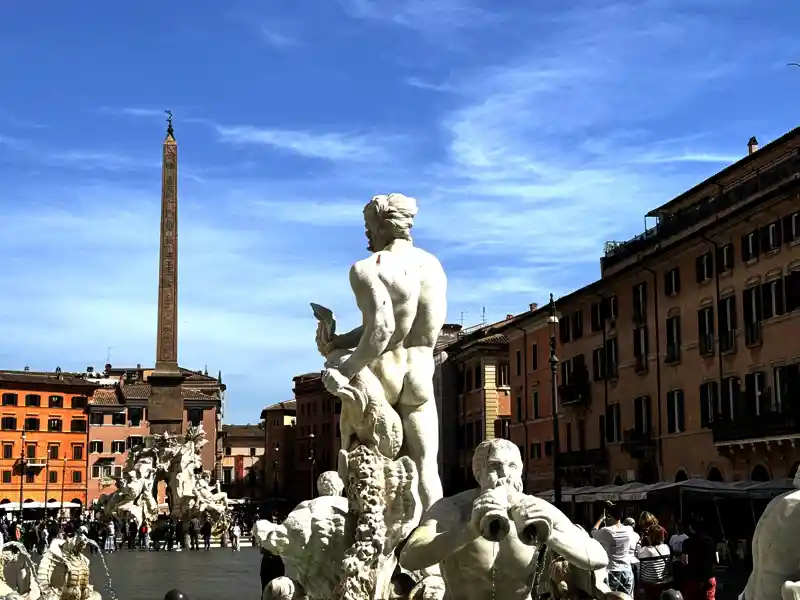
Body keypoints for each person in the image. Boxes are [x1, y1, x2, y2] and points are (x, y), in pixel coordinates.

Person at [319, 193, 448, 513]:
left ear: (380, 225)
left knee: (369, 471)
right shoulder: (432, 266)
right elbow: (398, 327)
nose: (366, 234)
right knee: (425, 470)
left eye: (367, 226)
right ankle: (432, 556)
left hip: (385, 376)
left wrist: (343, 370)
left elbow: (382, 330)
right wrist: (340, 341)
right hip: (420, 373)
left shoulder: (369, 268)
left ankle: (373, 547)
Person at [400, 439, 608, 600]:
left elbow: (598, 558)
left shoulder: (537, 508)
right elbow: (409, 557)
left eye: (512, 467)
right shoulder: (454, 508)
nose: (505, 475)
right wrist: (469, 530)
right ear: (478, 472)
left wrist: (550, 534)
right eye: (495, 466)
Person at [591, 503, 639, 596]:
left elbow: (593, 532)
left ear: (609, 516)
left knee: (613, 597)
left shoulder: (607, 531)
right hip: (627, 570)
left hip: (613, 571)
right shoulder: (629, 529)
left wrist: (601, 519)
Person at [681, 516, 716, 600]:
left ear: (691, 527)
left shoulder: (687, 542)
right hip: (709, 576)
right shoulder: (711, 541)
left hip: (693, 577)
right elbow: (716, 559)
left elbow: (684, 561)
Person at [637, 524, 672, 600]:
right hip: (664, 583)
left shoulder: (646, 550)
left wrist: (642, 541)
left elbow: (637, 554)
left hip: (650, 585)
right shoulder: (666, 547)